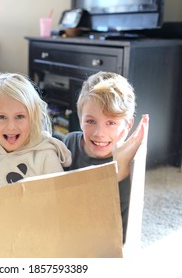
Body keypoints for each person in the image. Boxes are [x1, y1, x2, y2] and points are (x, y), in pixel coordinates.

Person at [62, 71, 149, 243]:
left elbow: (123, 232)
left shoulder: (130, 160)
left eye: (111, 123)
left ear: (128, 125)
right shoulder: (70, 143)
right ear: (80, 119)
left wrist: (121, 170)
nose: (99, 133)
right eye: (91, 121)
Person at [0, 72, 71, 190]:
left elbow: (58, 200)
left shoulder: (46, 156)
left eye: (19, 117)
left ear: (33, 117)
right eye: (2, 117)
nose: (11, 127)